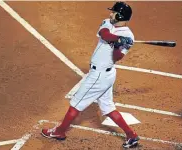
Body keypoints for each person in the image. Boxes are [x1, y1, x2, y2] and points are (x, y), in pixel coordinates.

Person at [41, 1, 140, 148]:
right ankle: (131, 135)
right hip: (104, 76)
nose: (110, 14)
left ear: (120, 15)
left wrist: (118, 46)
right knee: (108, 107)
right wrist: (116, 39)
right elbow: (104, 34)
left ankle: (60, 131)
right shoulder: (107, 22)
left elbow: (117, 57)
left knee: (75, 103)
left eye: (113, 12)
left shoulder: (128, 36)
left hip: (100, 76)